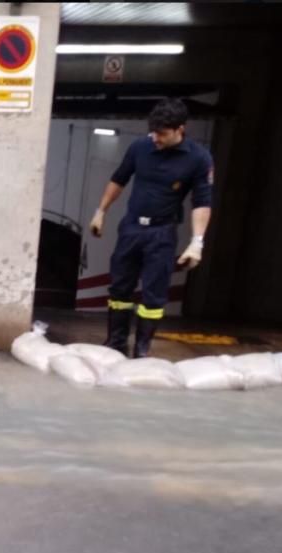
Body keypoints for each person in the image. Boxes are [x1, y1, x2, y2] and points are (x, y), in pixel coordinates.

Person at [88, 98, 212, 358]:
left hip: (162, 233)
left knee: (153, 294)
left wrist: (196, 242)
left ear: (180, 129)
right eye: (153, 131)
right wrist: (101, 212)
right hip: (132, 227)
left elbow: (202, 202)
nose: (155, 138)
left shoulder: (199, 158)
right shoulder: (140, 147)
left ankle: (141, 351)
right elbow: (119, 179)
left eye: (162, 134)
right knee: (120, 288)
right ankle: (116, 343)